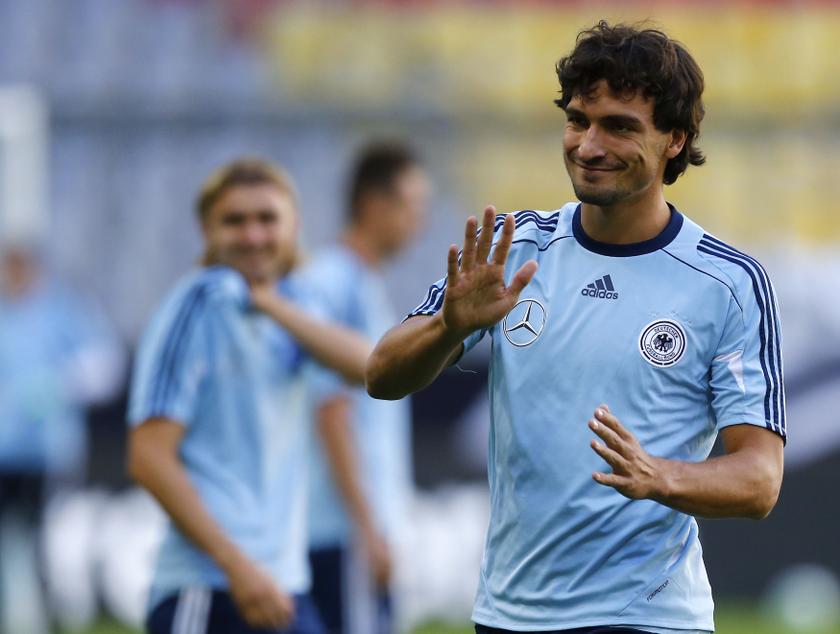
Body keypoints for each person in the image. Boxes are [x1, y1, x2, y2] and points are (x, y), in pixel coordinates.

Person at [366, 21, 785, 634]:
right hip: (509, 616)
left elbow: (759, 480)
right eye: (578, 119)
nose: (589, 145)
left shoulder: (727, 283)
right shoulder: (515, 246)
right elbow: (380, 375)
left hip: (648, 618)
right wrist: (447, 329)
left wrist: (658, 476)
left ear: (675, 139)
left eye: (619, 126)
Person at [127, 158, 372, 634]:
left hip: (282, 583)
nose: (253, 235)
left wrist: (268, 301)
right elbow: (148, 456)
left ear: (294, 225)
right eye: (234, 221)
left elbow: (369, 368)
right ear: (206, 229)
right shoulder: (197, 307)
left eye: (267, 218)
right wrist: (234, 565)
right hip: (208, 587)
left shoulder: (295, 304)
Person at [297, 142, 429, 634]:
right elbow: (330, 410)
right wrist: (367, 526)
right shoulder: (336, 283)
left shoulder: (359, 282)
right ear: (375, 205)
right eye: (412, 206)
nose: (419, 222)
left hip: (351, 528)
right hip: (342, 529)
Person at [0, 242, 123, 634]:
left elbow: (105, 366)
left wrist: (59, 386)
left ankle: (51, 621)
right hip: (3, 450)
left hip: (48, 452)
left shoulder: (63, 310)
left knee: (46, 542)